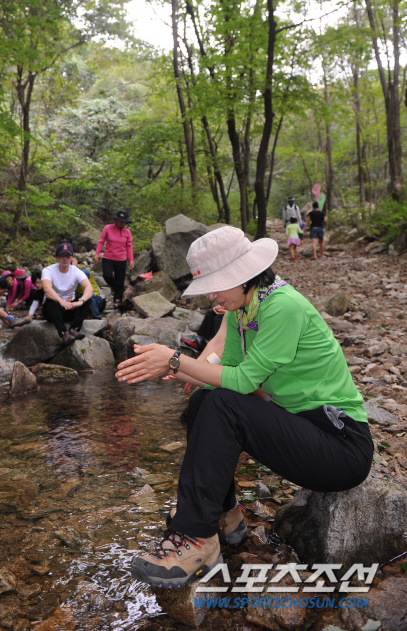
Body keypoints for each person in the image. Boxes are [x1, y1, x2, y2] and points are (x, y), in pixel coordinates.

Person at [115, 225, 372, 588]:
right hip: (303, 429)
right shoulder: (242, 310)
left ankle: (197, 538)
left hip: (341, 447)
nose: (212, 297)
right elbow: (232, 374)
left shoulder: (283, 306)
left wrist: (176, 361)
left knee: (220, 404)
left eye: (217, 285)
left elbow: (244, 382)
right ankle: (226, 515)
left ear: (244, 275)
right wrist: (190, 373)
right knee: (204, 400)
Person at [41, 243, 93, 345]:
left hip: (70, 307)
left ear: (72, 258)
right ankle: (63, 333)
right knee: (50, 301)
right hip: (53, 310)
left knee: (87, 300)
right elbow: (47, 289)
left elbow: (89, 288)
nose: (65, 259)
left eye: (68, 256)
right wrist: (61, 302)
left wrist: (80, 302)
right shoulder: (48, 270)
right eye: (62, 256)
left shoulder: (76, 271)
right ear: (57, 257)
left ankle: (74, 329)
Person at [94, 209, 134, 308]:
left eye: (123, 221)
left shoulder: (127, 232)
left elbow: (129, 246)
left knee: (120, 280)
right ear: (116, 220)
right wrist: (97, 253)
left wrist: (131, 259)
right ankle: (114, 287)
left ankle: (117, 300)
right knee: (107, 276)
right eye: (119, 221)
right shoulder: (108, 228)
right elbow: (101, 241)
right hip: (108, 257)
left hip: (121, 259)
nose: (121, 223)